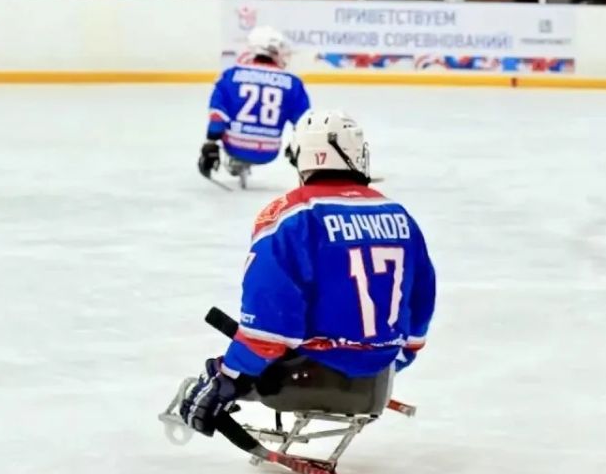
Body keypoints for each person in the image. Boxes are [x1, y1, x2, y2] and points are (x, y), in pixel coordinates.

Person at [179, 110, 437, 436]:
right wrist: (392, 360)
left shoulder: (291, 217)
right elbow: (421, 304)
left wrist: (226, 375)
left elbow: (269, 327)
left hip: (305, 380)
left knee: (238, 358)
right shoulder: (400, 216)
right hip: (377, 380)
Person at [200, 26, 311, 187]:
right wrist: (299, 147)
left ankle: (236, 161)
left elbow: (217, 116)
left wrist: (210, 145)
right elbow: (305, 123)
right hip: (269, 151)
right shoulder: (293, 83)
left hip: (233, 146)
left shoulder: (230, 75)